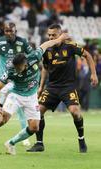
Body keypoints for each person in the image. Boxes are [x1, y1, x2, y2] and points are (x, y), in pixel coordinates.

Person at [0, 33, 69, 155]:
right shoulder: (11, 70)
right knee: (2, 120)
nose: (17, 70)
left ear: (25, 63)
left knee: (34, 127)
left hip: (32, 97)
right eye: (15, 67)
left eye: (19, 67)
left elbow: (45, 44)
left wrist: (59, 39)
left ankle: (11, 143)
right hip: (16, 95)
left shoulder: (34, 57)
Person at [27, 24, 98, 153]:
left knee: (75, 112)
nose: (50, 37)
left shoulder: (70, 46)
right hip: (52, 87)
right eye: (49, 35)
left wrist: (93, 74)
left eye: (53, 35)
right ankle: (39, 143)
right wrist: (41, 86)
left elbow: (87, 55)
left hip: (68, 87)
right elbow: (45, 69)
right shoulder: (47, 50)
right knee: (38, 112)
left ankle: (81, 139)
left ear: (60, 35)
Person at [0, 22, 33, 145]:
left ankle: (24, 137)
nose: (9, 33)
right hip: (3, 80)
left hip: (17, 80)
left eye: (11, 31)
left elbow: (31, 57)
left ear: (15, 31)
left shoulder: (23, 42)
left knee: (21, 110)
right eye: (6, 31)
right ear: (4, 31)